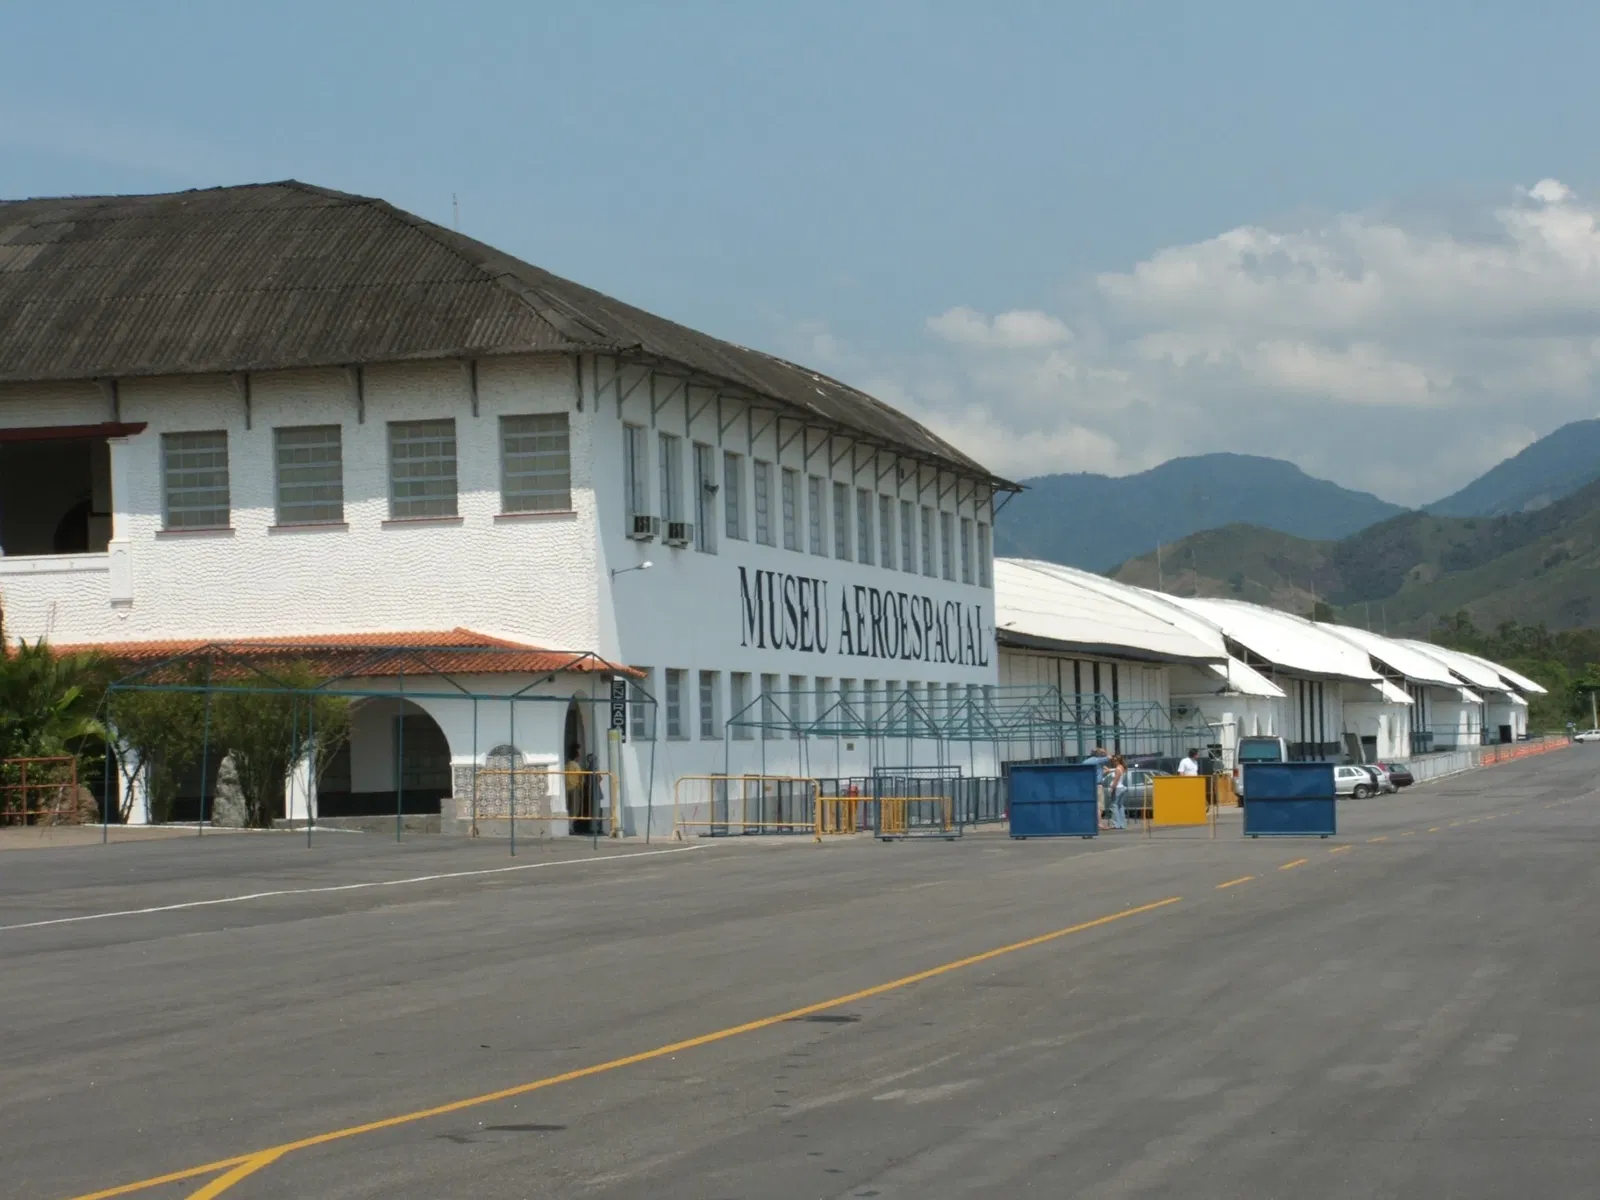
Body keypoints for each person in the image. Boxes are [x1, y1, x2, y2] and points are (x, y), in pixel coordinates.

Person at [1081, 746, 1111, 827]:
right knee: (1099, 805)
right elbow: (1109, 757)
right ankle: (1099, 823)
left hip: (1089, 785)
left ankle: (1089, 821)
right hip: (1098, 785)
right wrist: (1104, 751)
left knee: (1091, 804)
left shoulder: (1085, 762)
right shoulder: (1098, 760)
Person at [1107, 754, 1129, 830]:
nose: (1112, 762)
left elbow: (1116, 780)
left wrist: (1111, 788)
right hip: (1122, 788)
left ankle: (1116, 824)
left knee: (1114, 806)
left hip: (1117, 788)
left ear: (1116, 761)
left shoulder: (1117, 769)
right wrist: (1109, 770)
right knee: (1120, 806)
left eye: (1113, 760)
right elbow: (1115, 770)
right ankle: (1122, 824)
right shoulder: (1122, 767)